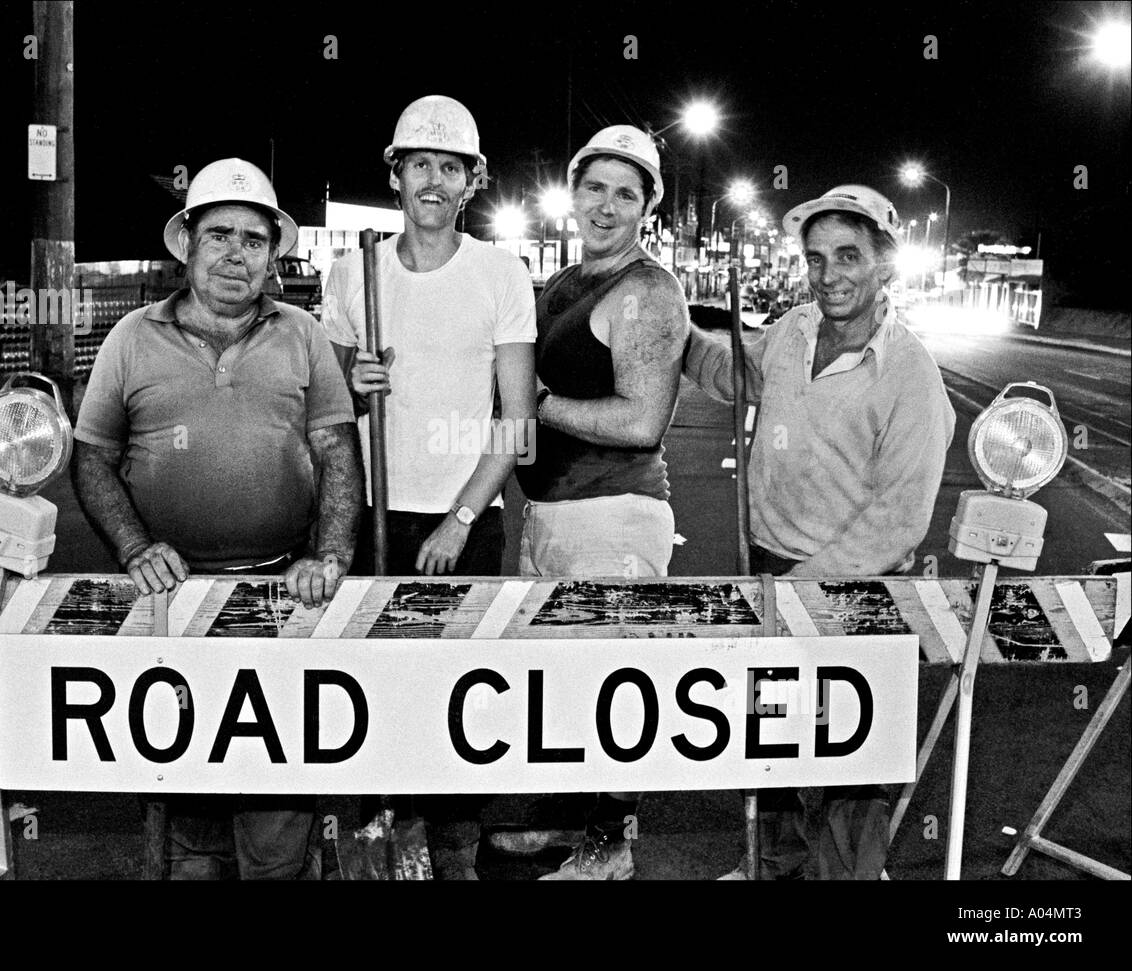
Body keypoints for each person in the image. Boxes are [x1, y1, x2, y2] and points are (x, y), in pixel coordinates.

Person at [72, 157, 363, 880]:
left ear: (274, 254)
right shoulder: (130, 338)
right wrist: (135, 545)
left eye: (255, 239)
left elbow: (336, 453)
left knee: (276, 818)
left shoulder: (303, 335)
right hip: (170, 609)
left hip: (279, 602)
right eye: (220, 235)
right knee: (188, 820)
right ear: (188, 246)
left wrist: (328, 557)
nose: (237, 253)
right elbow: (92, 460)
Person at [684, 184, 956, 879]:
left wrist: (804, 593)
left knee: (848, 766)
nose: (829, 274)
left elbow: (900, 517)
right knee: (774, 745)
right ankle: (773, 866)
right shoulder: (792, 331)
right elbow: (734, 373)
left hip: (857, 593)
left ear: (884, 265)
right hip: (772, 572)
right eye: (816, 258)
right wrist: (673, 328)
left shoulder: (908, 373)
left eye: (848, 257)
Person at [322, 94, 536, 879]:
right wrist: (353, 377)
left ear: (472, 180)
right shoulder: (354, 273)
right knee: (376, 684)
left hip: (464, 524)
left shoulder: (500, 273)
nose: (435, 181)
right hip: (373, 515)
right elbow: (325, 409)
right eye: (421, 165)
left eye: (451, 167)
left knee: (462, 695)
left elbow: (517, 423)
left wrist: (460, 518)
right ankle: (381, 840)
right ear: (397, 174)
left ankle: (454, 850)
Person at [515, 125, 690, 880]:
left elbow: (641, 419)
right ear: (573, 192)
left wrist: (539, 402)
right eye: (595, 187)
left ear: (648, 206)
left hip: (613, 512)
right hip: (550, 514)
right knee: (561, 678)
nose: (607, 205)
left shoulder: (647, 290)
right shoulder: (565, 282)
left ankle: (610, 841)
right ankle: (564, 821)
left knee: (617, 683)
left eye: (627, 192)